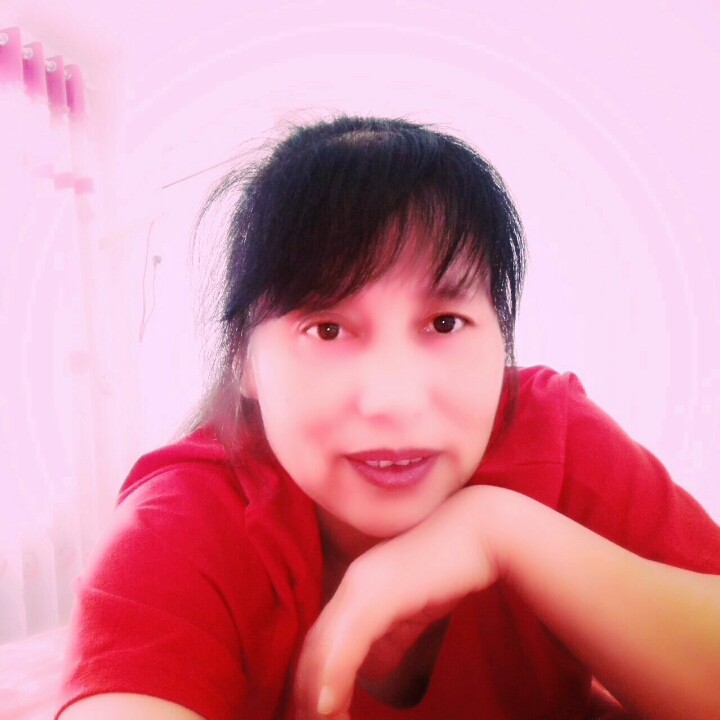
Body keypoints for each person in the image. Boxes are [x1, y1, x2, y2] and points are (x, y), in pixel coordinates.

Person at [55, 115, 720, 720]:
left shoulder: (557, 440)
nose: (394, 399)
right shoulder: (185, 518)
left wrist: (501, 533)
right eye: (327, 329)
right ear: (244, 362)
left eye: (445, 322)